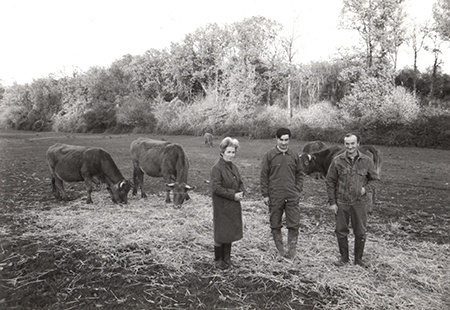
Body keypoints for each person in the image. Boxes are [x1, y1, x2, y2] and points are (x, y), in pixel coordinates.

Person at [326, 133, 381, 267]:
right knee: (340, 230)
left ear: (358, 144)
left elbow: (375, 181)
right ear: (344, 145)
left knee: (360, 231)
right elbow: (330, 181)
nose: (350, 147)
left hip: (359, 202)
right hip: (342, 202)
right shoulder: (337, 160)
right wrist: (332, 203)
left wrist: (364, 189)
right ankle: (344, 259)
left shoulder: (367, 161)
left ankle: (358, 260)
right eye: (347, 144)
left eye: (352, 143)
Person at [260, 127, 303, 259]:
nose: (284, 143)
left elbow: (300, 174)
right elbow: (264, 175)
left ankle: (291, 252)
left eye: (286, 140)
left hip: (291, 196)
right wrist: (265, 194)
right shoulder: (270, 155)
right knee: (275, 223)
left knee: (293, 223)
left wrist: (297, 190)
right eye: (281, 140)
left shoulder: (294, 155)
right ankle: (280, 252)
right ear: (277, 139)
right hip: (275, 195)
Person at [211, 137, 245, 269]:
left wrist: (242, 191)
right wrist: (233, 195)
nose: (231, 155)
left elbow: (240, 182)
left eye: (233, 152)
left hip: (233, 205)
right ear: (222, 152)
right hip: (222, 205)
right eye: (229, 152)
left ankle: (227, 258)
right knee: (221, 233)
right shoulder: (217, 168)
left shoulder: (234, 167)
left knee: (229, 232)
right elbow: (216, 188)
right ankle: (218, 260)